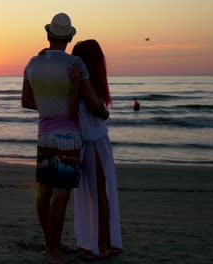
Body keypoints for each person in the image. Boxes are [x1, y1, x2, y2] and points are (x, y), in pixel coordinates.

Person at [22, 13, 109, 264]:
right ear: (70, 37)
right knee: (62, 192)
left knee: (44, 191)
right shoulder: (76, 65)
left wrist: (49, 108)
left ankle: (52, 244)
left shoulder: (32, 63)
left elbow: (26, 102)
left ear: (48, 35)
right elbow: (91, 101)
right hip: (69, 136)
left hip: (44, 134)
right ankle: (53, 252)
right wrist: (104, 111)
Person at [70, 39, 123, 261]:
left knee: (99, 193)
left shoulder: (86, 83)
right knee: (90, 194)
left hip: (95, 142)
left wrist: (78, 84)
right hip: (86, 141)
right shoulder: (81, 82)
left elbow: (96, 108)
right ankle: (94, 241)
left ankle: (102, 244)